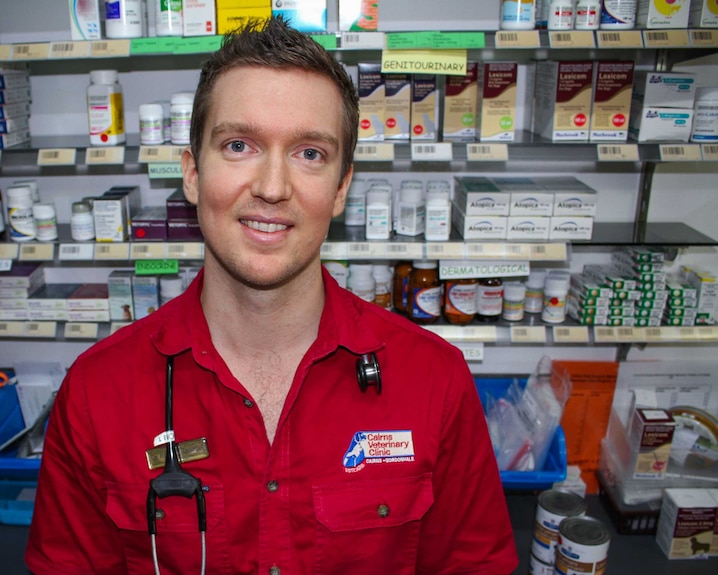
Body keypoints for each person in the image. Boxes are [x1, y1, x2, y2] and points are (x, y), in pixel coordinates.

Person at [26, 17, 518, 575]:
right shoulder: (97, 396)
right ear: (191, 173)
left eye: (309, 153)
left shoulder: (436, 382)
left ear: (340, 189)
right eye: (240, 145)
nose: (273, 187)